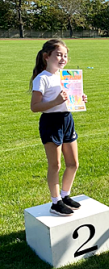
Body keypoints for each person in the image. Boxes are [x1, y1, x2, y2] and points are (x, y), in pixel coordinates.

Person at [30, 39, 87, 216]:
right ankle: (55, 202)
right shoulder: (42, 79)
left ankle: (65, 195)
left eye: (65, 55)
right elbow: (35, 107)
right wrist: (56, 101)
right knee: (55, 165)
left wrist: (79, 98)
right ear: (47, 57)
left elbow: (68, 99)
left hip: (67, 119)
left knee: (73, 163)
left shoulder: (66, 76)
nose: (63, 58)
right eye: (58, 54)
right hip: (51, 123)